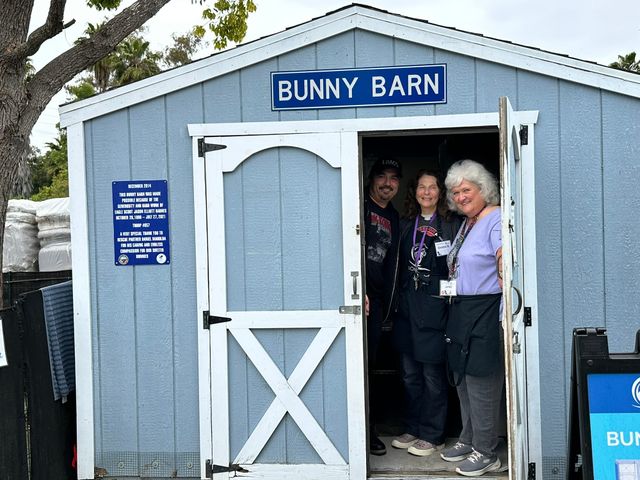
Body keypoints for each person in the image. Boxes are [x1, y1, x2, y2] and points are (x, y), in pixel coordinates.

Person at [440, 159, 504, 477]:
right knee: (462, 379)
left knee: (482, 381)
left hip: (486, 309)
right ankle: (469, 438)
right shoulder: (469, 222)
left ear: (483, 189)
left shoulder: (496, 218)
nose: (461, 196)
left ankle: (487, 451)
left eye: (467, 189)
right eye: (456, 192)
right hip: (462, 308)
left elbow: (504, 257)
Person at [390, 170, 462, 457]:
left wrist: (446, 302)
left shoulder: (451, 224)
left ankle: (433, 435)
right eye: (422, 187)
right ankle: (413, 427)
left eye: (433, 187)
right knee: (409, 375)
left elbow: (456, 269)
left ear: (440, 193)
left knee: (432, 376)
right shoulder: (407, 223)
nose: (427, 192)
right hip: (407, 309)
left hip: (434, 309)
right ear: (415, 192)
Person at [364, 158, 401, 456]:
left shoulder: (395, 217)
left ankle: (369, 429)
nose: (387, 183)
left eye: (393, 178)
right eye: (382, 176)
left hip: (376, 305)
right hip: (356, 300)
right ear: (371, 178)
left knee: (370, 368)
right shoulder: (358, 204)